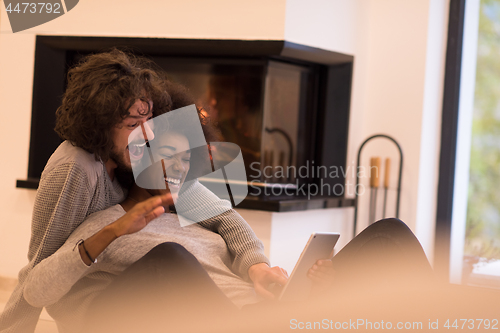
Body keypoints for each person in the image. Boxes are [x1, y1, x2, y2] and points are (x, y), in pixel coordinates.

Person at [0, 50, 280, 333]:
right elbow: (37, 270)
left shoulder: (141, 158)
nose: (146, 135)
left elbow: (225, 217)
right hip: (96, 312)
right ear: (101, 125)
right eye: (134, 125)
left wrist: (257, 267)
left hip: (166, 300)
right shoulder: (76, 169)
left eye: (148, 122)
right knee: (170, 256)